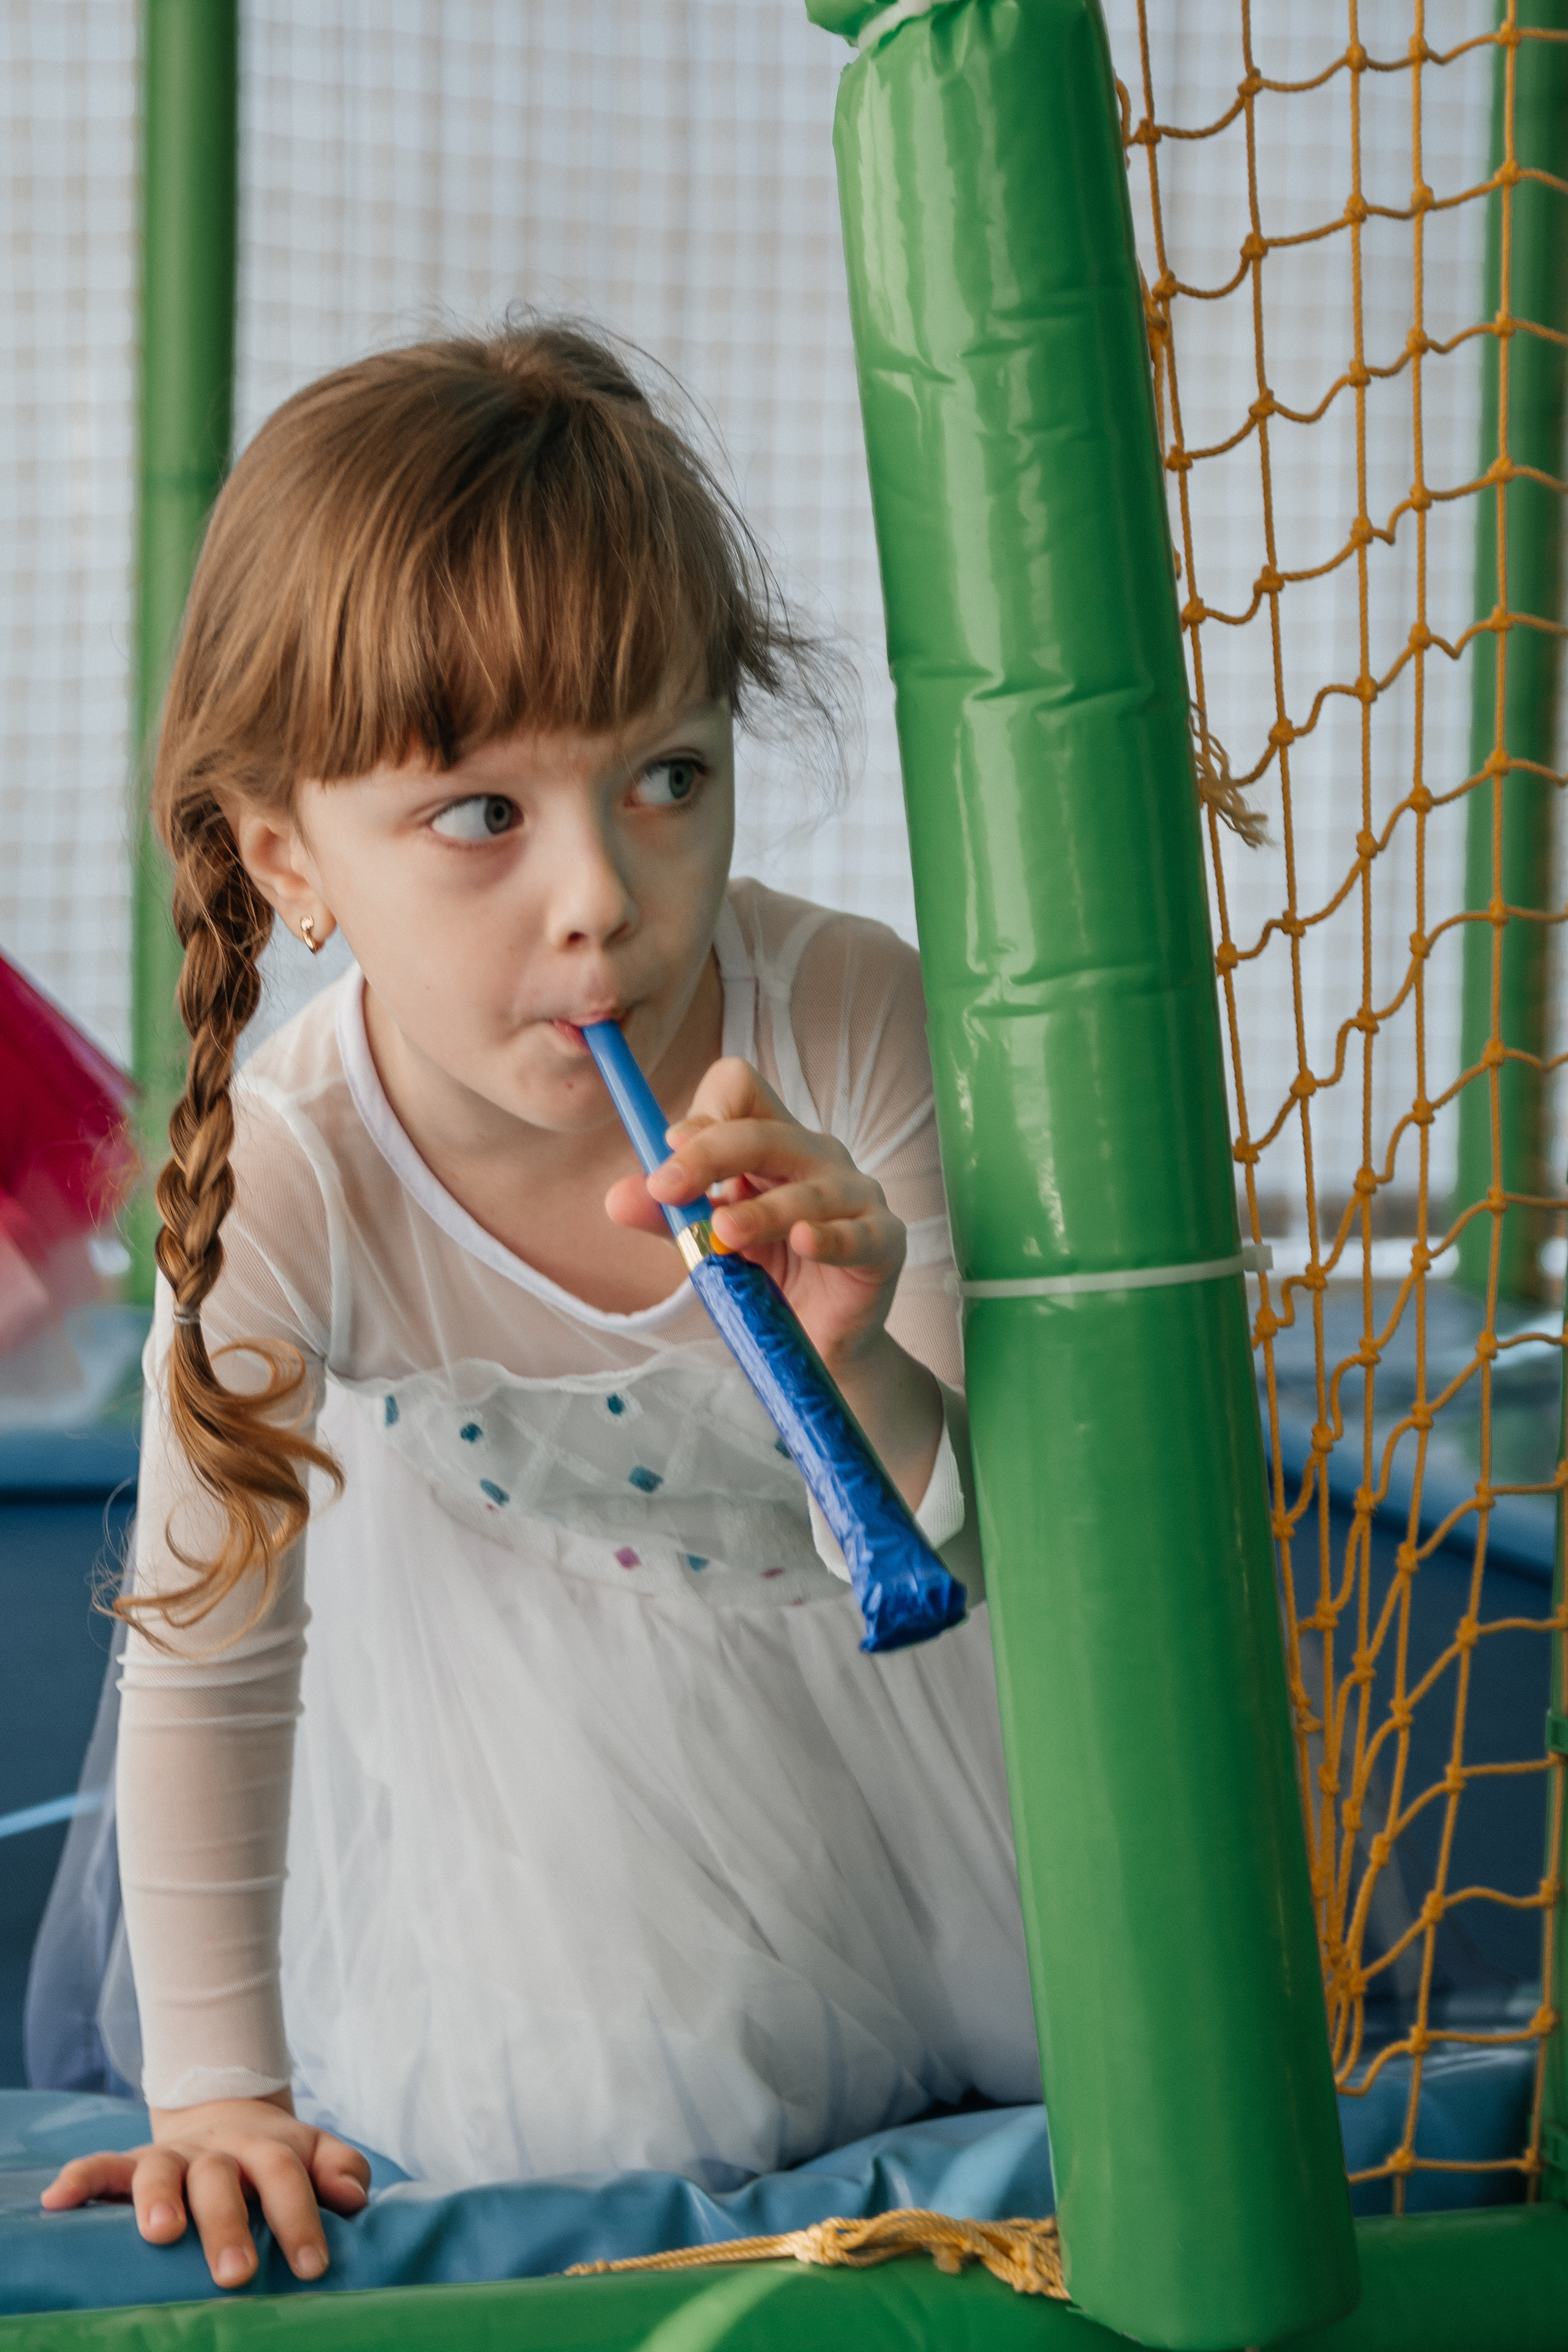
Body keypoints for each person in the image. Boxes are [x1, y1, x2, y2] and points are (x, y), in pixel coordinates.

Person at [42, 324, 1038, 2290]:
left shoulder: (853, 1018)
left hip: (924, 1690)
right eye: (482, 816)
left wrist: (865, 1365)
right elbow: (215, 1656)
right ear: (284, 854)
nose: (604, 895)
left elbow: (993, 1534)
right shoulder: (294, 1173)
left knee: (1134, 2034)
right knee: (617, 2114)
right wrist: (219, 2088)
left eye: (669, 775)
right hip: (544, 1735)